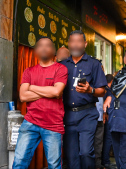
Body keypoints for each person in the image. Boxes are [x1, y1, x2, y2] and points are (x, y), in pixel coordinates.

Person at [13, 37, 68, 169]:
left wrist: (31, 87)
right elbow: (22, 96)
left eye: (47, 45)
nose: (44, 48)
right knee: (19, 161)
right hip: (30, 121)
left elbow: (56, 92)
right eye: (40, 45)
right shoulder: (29, 71)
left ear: (53, 50)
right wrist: (48, 91)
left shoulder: (61, 69)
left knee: (54, 165)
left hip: (53, 124)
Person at [61, 30, 107, 169]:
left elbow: (102, 91)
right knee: (71, 155)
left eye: (79, 41)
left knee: (86, 152)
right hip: (68, 115)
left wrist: (90, 90)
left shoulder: (94, 64)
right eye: (72, 41)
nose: (75, 44)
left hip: (87, 114)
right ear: (69, 44)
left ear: (85, 44)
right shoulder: (62, 65)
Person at [102, 74, 117, 169]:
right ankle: (106, 161)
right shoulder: (108, 91)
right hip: (107, 117)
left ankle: (105, 160)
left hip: (102, 117)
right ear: (111, 81)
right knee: (108, 139)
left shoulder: (103, 88)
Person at [95, 96, 105, 169]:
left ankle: (97, 165)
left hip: (100, 116)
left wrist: (104, 113)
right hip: (87, 117)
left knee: (98, 142)